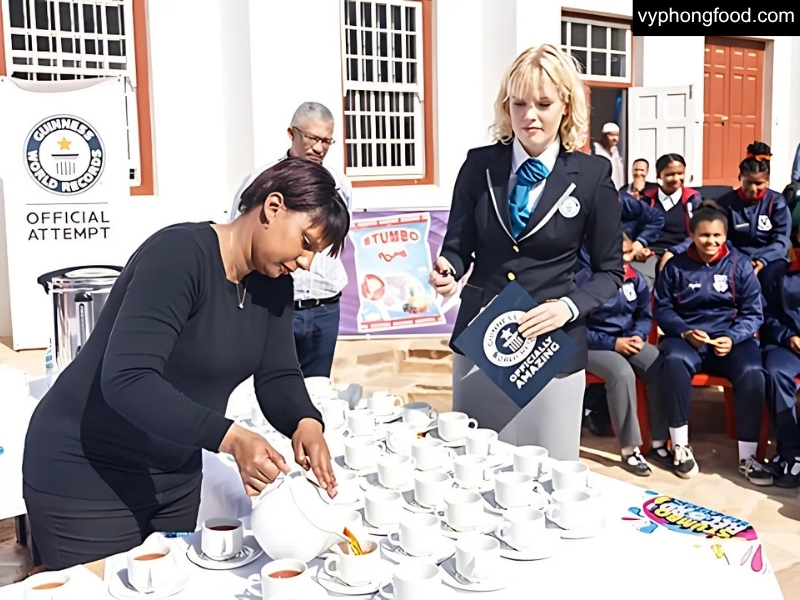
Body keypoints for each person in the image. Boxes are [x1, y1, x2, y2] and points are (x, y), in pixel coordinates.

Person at [22, 158, 349, 570]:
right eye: (305, 242)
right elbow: (128, 378)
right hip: (88, 473)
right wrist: (228, 437)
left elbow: (278, 372)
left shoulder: (274, 285)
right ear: (273, 207)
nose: (305, 263)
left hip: (173, 476)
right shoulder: (179, 256)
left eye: (315, 253)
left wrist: (305, 422)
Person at [430, 45, 623, 461]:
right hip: (482, 341)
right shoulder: (478, 165)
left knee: (549, 479)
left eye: (543, 103)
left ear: (566, 106)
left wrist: (569, 308)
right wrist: (449, 268)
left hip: (552, 347)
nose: (529, 116)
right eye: (518, 103)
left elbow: (611, 272)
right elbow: (458, 245)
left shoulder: (592, 176)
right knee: (475, 473)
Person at [652, 201, 770, 484]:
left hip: (730, 339)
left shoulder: (739, 264)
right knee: (674, 362)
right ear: (692, 235)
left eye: (717, 236)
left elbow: (754, 313)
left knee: (753, 372)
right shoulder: (675, 266)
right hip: (687, 339)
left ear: (725, 236)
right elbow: (662, 308)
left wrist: (732, 337)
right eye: (704, 235)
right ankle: (680, 446)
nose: (711, 241)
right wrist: (683, 331)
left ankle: (749, 456)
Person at [231, 102, 352, 378]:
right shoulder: (262, 180)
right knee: (273, 384)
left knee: (318, 391)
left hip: (325, 305)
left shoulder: (340, 184)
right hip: (277, 306)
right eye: (313, 139)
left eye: (327, 141)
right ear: (292, 133)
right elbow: (237, 236)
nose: (320, 148)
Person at [577, 234, 660, 476]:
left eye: (626, 254)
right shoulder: (585, 280)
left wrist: (639, 336)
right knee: (621, 373)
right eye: (617, 254)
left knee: (659, 363)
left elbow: (644, 315)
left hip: (628, 339)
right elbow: (576, 328)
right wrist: (613, 343)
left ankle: (660, 441)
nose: (623, 259)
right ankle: (630, 448)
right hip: (591, 346)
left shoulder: (637, 279)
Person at [675, 142, 791, 278]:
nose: (753, 189)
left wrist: (763, 260)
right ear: (740, 178)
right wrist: (742, 260)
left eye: (759, 183)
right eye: (748, 182)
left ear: (768, 181)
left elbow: (781, 238)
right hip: (736, 258)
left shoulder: (776, 202)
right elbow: (722, 237)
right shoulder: (726, 203)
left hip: (770, 258)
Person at [759, 246, 800, 488]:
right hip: (787, 346)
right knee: (775, 374)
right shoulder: (778, 274)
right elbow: (765, 316)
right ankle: (791, 454)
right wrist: (788, 337)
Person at [636, 154, 702, 287]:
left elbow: (698, 233)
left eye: (680, 173)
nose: (676, 179)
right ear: (659, 176)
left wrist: (673, 251)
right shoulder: (647, 200)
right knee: (641, 283)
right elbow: (636, 229)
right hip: (650, 253)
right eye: (670, 174)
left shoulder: (693, 200)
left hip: (682, 252)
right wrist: (639, 247)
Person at [593, 122, 625, 189]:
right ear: (604, 136)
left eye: (617, 135)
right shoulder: (596, 150)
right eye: (611, 135)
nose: (615, 138)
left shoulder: (615, 151)